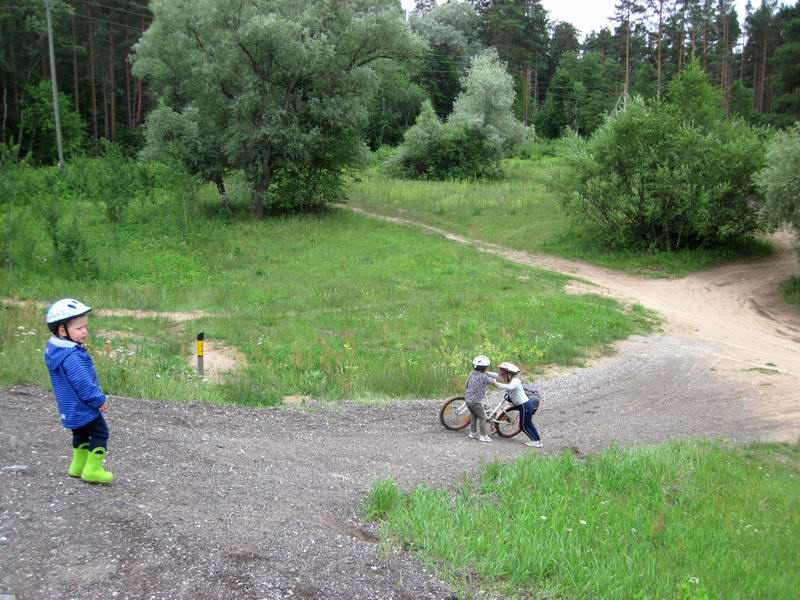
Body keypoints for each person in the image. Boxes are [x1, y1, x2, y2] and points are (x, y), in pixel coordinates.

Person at [44, 298, 113, 484]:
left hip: (69, 407)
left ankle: (77, 467)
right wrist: (99, 400)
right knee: (100, 433)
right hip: (83, 406)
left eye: (85, 326)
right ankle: (92, 470)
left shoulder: (54, 350)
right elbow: (82, 383)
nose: (85, 331)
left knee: (80, 433)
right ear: (61, 330)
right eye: (79, 328)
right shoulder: (71, 356)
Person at [493, 361, 542, 448]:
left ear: (510, 374)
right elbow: (497, 375)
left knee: (523, 426)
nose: (503, 376)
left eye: (504, 374)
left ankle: (534, 442)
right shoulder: (510, 380)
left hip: (525, 405)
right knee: (529, 424)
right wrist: (485, 373)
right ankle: (538, 441)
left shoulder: (515, 381)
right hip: (524, 405)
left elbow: (510, 387)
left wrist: (497, 384)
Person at [464, 355, 498, 443]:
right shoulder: (483, 377)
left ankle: (473, 433)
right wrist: (499, 380)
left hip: (468, 399)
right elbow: (493, 381)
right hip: (476, 402)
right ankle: (483, 436)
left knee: (474, 415)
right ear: (484, 368)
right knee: (482, 417)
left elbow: (467, 383)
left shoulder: (472, 373)